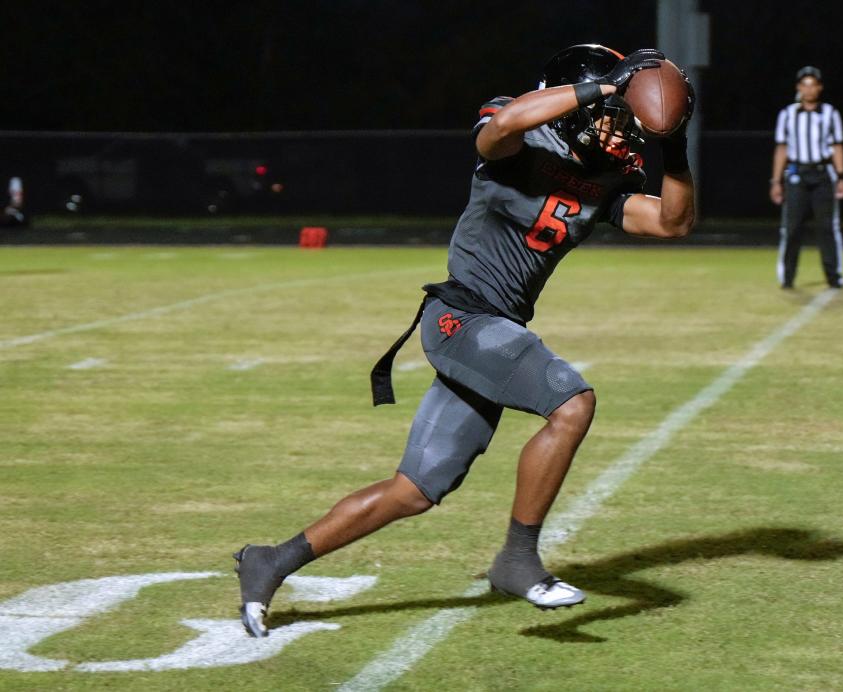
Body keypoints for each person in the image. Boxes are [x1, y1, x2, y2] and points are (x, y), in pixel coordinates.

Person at [234, 44, 696, 638]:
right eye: (616, 117)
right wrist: (606, 88)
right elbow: (501, 126)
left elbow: (673, 222)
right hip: (460, 318)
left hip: (493, 329)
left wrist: (674, 143)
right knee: (572, 402)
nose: (623, 133)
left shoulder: (605, 177)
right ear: (581, 101)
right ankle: (517, 559)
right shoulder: (520, 134)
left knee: (413, 491)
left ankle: (271, 560)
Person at [769, 65, 843, 289]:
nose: (809, 89)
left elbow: (837, 146)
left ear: (819, 88)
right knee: (792, 228)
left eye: (813, 85)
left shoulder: (831, 113)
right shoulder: (788, 114)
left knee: (828, 227)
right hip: (797, 173)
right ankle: (787, 277)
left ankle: (834, 276)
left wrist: (841, 177)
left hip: (823, 174)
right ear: (798, 88)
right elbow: (782, 148)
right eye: (804, 84)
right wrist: (775, 181)